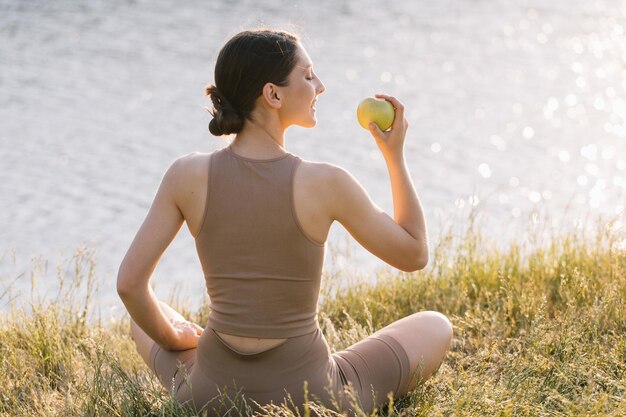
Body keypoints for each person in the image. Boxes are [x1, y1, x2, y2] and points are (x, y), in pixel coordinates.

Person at [117, 29, 452, 415]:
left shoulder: (186, 175)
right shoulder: (326, 182)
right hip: (313, 399)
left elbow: (129, 284)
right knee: (436, 325)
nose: (320, 86)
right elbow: (414, 253)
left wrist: (173, 336)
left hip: (210, 396)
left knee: (144, 320)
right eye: (308, 76)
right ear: (273, 95)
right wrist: (394, 156)